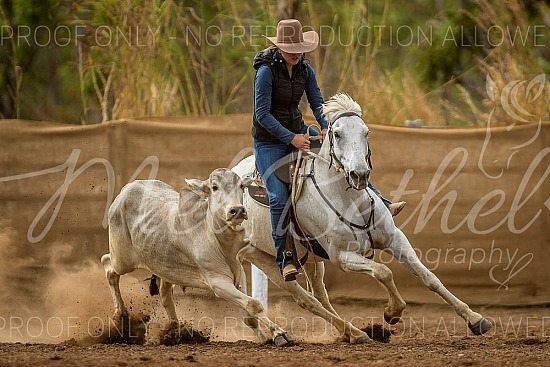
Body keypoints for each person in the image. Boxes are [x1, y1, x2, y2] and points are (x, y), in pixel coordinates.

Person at [252, 19, 405, 281]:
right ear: (278, 48)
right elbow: (262, 114)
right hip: (269, 141)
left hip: (299, 131)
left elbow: (317, 101)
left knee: (346, 156)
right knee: (278, 197)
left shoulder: (304, 69)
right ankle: (285, 257)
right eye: (291, 48)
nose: (296, 53)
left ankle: (380, 202)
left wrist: (326, 127)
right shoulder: (266, 72)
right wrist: (291, 138)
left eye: (300, 48)